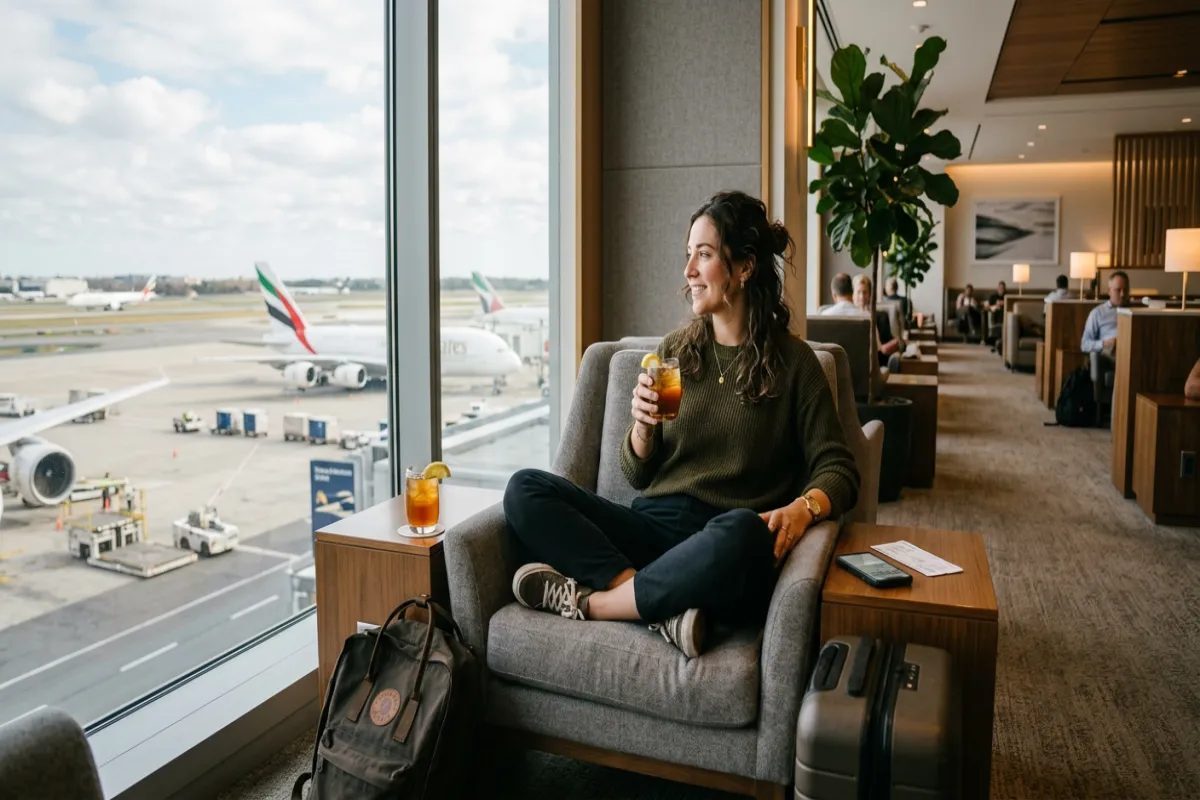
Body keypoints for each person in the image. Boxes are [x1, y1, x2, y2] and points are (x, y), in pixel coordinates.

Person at [502, 190, 860, 659]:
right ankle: (653, 604)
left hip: (720, 550)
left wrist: (803, 508)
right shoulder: (676, 350)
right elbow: (638, 475)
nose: (688, 270)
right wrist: (642, 430)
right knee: (524, 489)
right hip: (651, 532)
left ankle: (598, 603)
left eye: (704, 255)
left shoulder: (795, 365)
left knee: (744, 532)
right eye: (688, 254)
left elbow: (839, 468)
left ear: (745, 267)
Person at [852, 273, 901, 367]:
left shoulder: (881, 316)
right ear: (853, 294)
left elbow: (888, 344)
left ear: (870, 295)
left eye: (865, 292)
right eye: (858, 292)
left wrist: (892, 345)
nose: (862, 296)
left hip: (876, 359)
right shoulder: (845, 315)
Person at [1082, 271, 1130, 355]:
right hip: (1110, 353)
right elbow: (1085, 345)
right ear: (1109, 291)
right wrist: (1105, 343)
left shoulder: (1136, 312)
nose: (1122, 294)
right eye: (1118, 290)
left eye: (1125, 290)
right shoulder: (1097, 313)